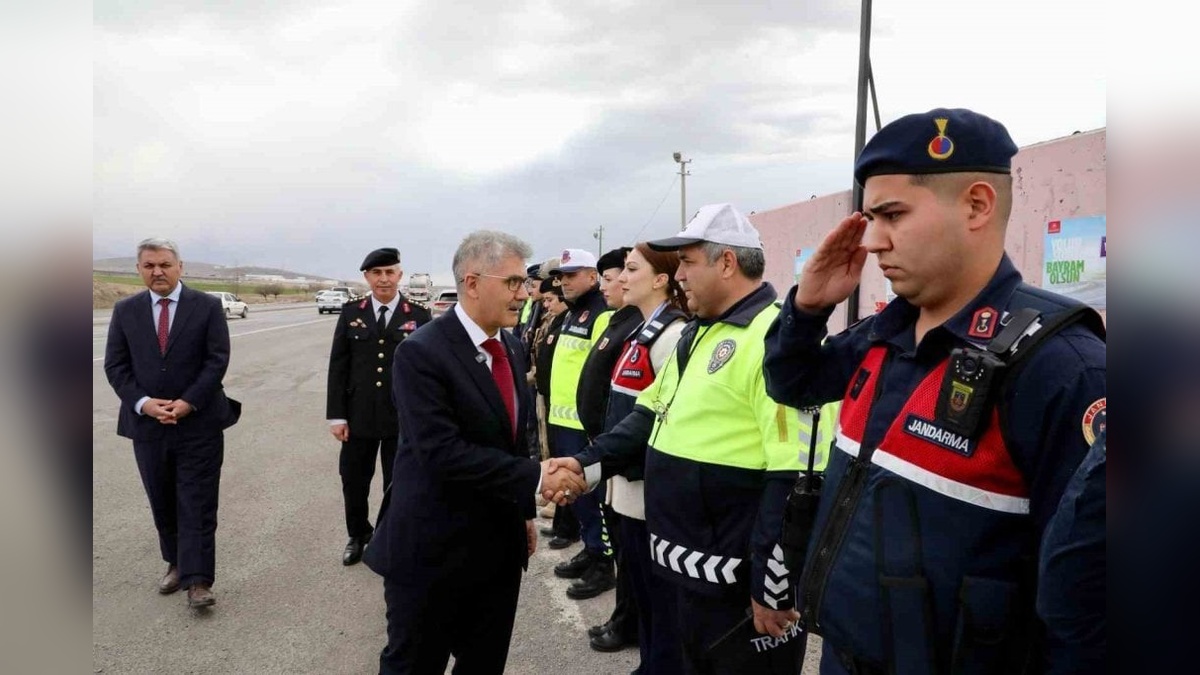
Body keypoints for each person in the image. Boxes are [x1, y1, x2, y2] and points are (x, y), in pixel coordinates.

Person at [762, 108, 1107, 674]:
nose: (872, 241)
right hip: (846, 655)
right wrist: (807, 307)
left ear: (976, 205)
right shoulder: (886, 332)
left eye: (891, 214)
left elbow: (1090, 602)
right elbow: (792, 383)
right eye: (869, 218)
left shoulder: (1061, 368)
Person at [550, 204, 811, 674]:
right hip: (681, 569)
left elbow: (795, 475)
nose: (679, 276)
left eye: (688, 263)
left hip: (735, 586)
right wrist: (585, 463)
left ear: (726, 263)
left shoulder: (775, 339)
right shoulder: (696, 335)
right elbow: (648, 414)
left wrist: (774, 588)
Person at [362, 230, 586, 675]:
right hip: (432, 552)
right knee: (414, 664)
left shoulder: (513, 345)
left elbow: (515, 436)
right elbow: (440, 452)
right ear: (472, 282)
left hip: (496, 551)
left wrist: (523, 512)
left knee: (484, 664)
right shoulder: (421, 352)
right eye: (513, 283)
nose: (524, 294)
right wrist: (538, 479)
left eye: (524, 283)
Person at [103, 237, 242, 609]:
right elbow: (115, 366)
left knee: (197, 501)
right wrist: (144, 404)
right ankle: (177, 563)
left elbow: (217, 360)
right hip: (148, 427)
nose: (157, 271)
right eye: (149, 265)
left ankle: (199, 581)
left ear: (180, 266)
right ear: (139, 270)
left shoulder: (207, 307)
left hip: (199, 423)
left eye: (164, 264)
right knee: (162, 499)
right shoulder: (125, 310)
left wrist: (188, 402)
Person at [591, 242, 690, 669]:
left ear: (661, 279)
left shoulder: (672, 336)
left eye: (631, 269)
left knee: (658, 601)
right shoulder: (643, 330)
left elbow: (661, 418)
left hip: (648, 493)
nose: (621, 277)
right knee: (640, 593)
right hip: (624, 487)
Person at [326, 247, 432, 566]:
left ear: (399, 275)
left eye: (389, 272)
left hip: (401, 418)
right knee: (354, 479)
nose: (383, 278)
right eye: (377, 273)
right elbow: (338, 367)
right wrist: (337, 415)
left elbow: (427, 372)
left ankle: (390, 537)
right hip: (358, 417)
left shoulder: (419, 315)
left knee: (398, 482)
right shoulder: (350, 312)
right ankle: (358, 535)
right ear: (367, 277)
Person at [559, 246, 644, 605]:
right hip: (580, 425)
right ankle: (594, 551)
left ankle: (601, 558)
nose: (617, 283)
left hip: (607, 437)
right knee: (588, 501)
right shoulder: (603, 317)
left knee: (605, 509)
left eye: (621, 275)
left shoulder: (629, 322)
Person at [544, 248, 614, 566]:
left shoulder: (601, 313)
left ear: (592, 276)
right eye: (561, 277)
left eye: (571, 276)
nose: (564, 283)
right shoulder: (573, 312)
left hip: (582, 425)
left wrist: (593, 425)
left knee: (590, 493)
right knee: (576, 496)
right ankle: (589, 546)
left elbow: (600, 372)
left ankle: (601, 557)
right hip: (561, 420)